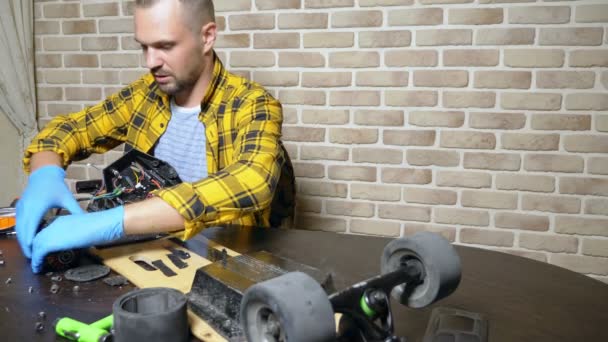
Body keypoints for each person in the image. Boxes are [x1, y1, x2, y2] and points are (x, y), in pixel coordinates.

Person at [16, 0, 293, 273]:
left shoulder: (252, 103)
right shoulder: (144, 95)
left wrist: (113, 222)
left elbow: (253, 179)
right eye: (144, 46)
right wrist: (45, 176)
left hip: (226, 271)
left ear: (207, 37)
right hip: (145, 265)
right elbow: (70, 130)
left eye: (165, 46)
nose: (151, 62)